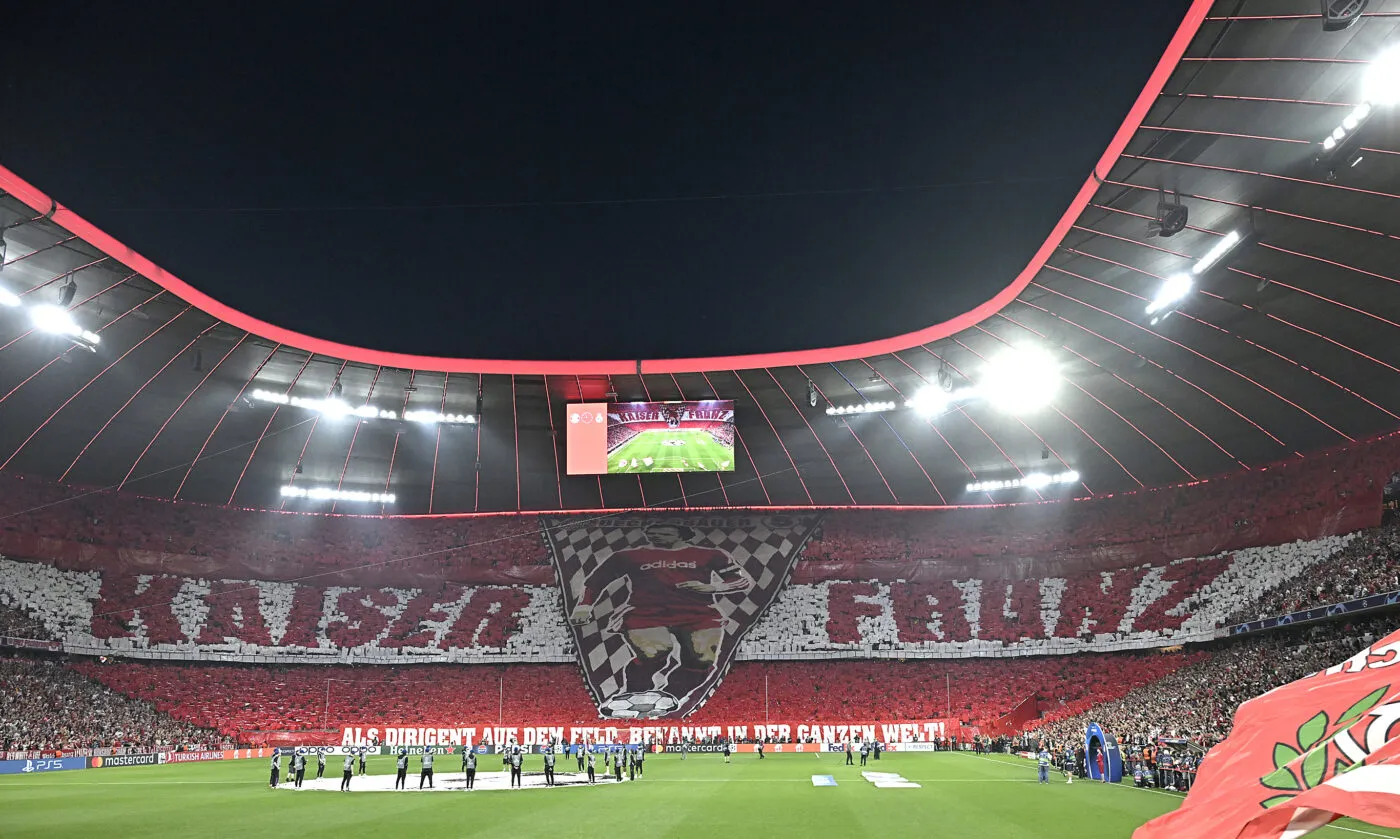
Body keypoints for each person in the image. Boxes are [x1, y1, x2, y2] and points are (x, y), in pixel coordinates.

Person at [568, 524, 754, 709]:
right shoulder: (627, 556)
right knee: (655, 651)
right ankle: (634, 692)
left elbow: (740, 580)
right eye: (651, 532)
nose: (656, 535)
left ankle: (669, 697)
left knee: (701, 659)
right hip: (646, 612)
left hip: (699, 612)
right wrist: (584, 606)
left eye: (664, 531)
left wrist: (713, 587)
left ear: (682, 534)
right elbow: (595, 581)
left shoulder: (710, 554)